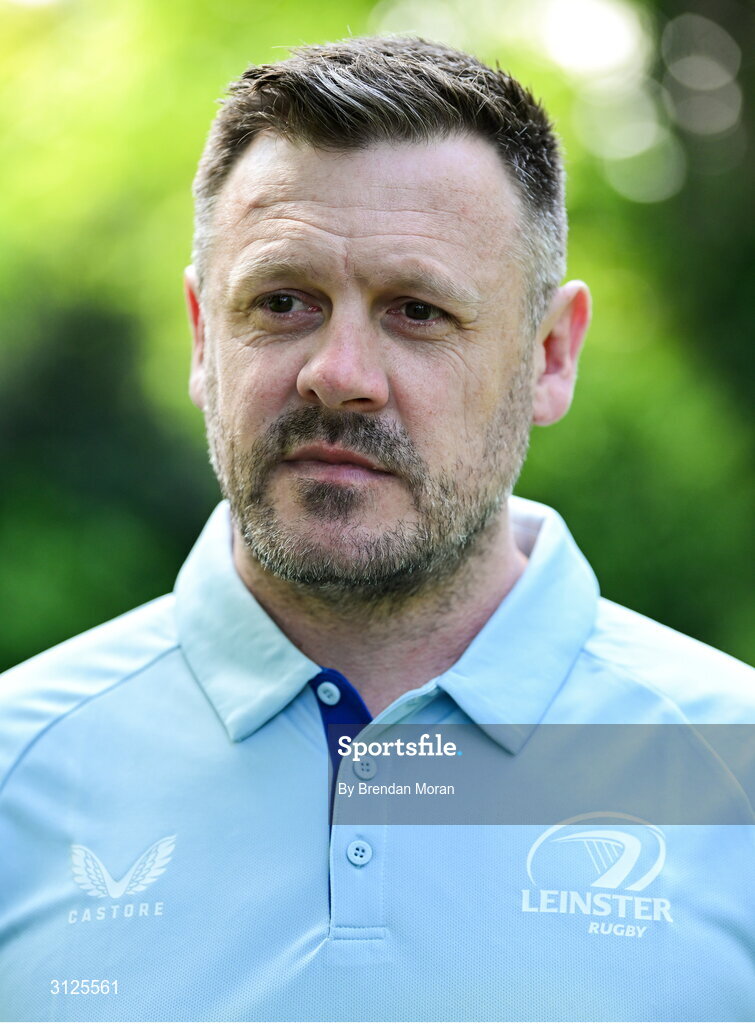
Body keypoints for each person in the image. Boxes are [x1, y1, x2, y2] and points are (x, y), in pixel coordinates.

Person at [1, 36, 753, 1024]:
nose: (337, 370)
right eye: (281, 302)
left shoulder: (729, 763)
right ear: (200, 336)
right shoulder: (19, 766)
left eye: (416, 310)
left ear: (548, 355)